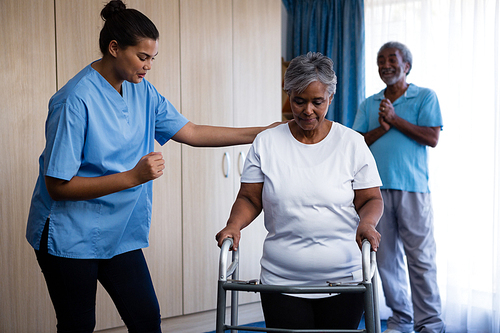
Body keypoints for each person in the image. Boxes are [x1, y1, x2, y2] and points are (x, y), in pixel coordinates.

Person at [25, 1, 279, 332]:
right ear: (114, 48)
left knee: (146, 319)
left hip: (118, 232)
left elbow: (191, 131)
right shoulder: (74, 100)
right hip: (69, 235)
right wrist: (134, 177)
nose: (148, 66)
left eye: (152, 59)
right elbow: (57, 186)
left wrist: (262, 132)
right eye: (142, 57)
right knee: (78, 325)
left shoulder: (142, 91)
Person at [216, 52, 384, 330]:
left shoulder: (352, 143)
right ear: (288, 95)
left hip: (344, 279)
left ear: (330, 97)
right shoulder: (266, 143)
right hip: (281, 280)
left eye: (317, 102)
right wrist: (234, 225)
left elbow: (371, 199)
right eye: (299, 101)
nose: (308, 110)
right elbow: (249, 197)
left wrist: (367, 223)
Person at [352, 41, 445, 333]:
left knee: (421, 260)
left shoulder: (425, 96)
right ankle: (401, 319)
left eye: (391, 59)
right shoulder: (369, 103)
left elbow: (431, 137)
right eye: (380, 60)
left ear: (406, 65)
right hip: (375, 193)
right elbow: (357, 144)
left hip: (413, 190)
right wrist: (383, 126)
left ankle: (430, 324)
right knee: (386, 260)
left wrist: (395, 119)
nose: (385, 64)